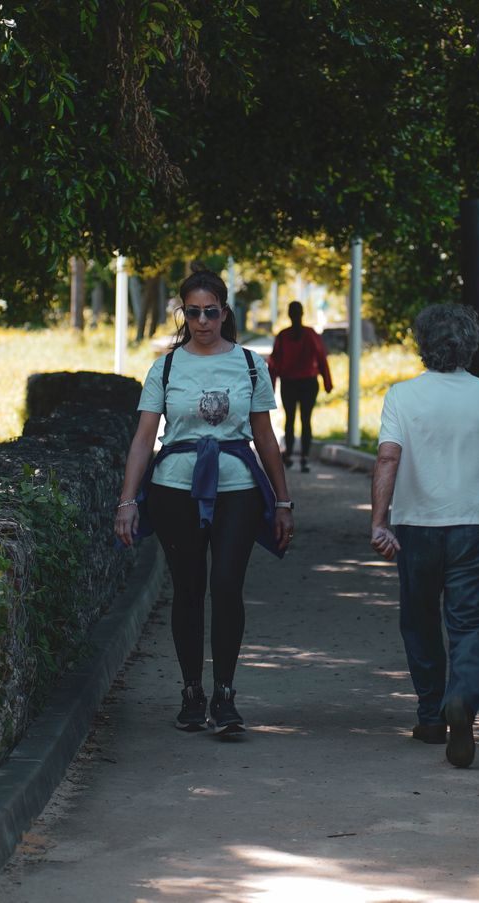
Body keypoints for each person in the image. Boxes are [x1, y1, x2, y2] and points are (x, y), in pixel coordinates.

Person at [114, 265, 295, 734]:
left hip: (237, 489)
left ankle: (226, 694)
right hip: (176, 488)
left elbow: (266, 438)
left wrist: (282, 501)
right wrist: (127, 501)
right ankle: (192, 690)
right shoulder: (166, 367)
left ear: (224, 312)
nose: (202, 322)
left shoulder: (252, 364)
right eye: (192, 313)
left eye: (210, 312)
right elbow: (143, 439)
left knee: (228, 586)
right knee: (189, 590)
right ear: (183, 314)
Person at [368, 303, 479, 768]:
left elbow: (387, 459)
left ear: (422, 345)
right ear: (471, 345)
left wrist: (380, 521)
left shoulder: (401, 396)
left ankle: (432, 716)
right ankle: (463, 701)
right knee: (472, 625)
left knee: (419, 621)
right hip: (475, 529)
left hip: (416, 530)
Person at [265, 301, 334, 472]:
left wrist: (271, 387)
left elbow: (274, 364)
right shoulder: (311, 335)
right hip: (309, 383)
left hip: (289, 383)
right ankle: (304, 457)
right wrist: (327, 382)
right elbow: (322, 358)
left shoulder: (283, 335)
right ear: (302, 313)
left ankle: (288, 455)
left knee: (290, 419)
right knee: (306, 419)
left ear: (289, 314)